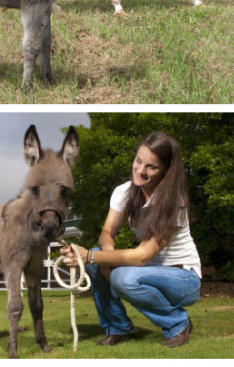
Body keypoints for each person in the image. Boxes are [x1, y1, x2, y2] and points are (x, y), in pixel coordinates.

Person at [61, 131, 201, 348]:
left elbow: (142, 256)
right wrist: (104, 257)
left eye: (151, 167)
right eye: (138, 161)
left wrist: (91, 256)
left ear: (166, 170)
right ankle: (119, 327)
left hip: (184, 279)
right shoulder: (124, 192)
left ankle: (177, 324)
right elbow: (107, 232)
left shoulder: (175, 202)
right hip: (145, 272)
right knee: (98, 263)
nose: (140, 170)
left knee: (121, 276)